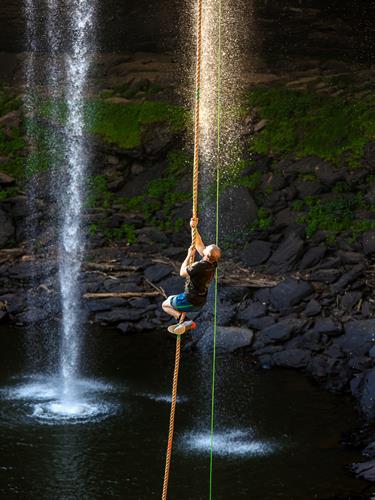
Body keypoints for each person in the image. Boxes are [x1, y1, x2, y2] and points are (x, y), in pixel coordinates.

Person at [162, 218, 221, 334]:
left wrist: (189, 255)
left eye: (206, 248)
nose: (205, 247)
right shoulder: (213, 263)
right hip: (200, 302)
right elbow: (199, 244)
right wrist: (194, 227)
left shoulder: (199, 266)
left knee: (165, 305)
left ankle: (185, 321)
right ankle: (185, 321)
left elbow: (182, 273)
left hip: (190, 300)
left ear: (206, 255)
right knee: (170, 299)